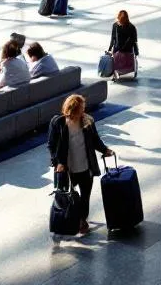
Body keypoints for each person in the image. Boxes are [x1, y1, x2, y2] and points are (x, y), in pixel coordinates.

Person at [47, 93, 115, 237]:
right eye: (80, 109)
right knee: (66, 196)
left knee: (85, 196)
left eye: (83, 108)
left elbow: (95, 140)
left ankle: (82, 221)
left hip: (85, 166)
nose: (83, 112)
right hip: (67, 168)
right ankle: (66, 219)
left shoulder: (87, 121)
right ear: (72, 110)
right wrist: (57, 163)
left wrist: (105, 150)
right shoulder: (58, 123)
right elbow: (51, 145)